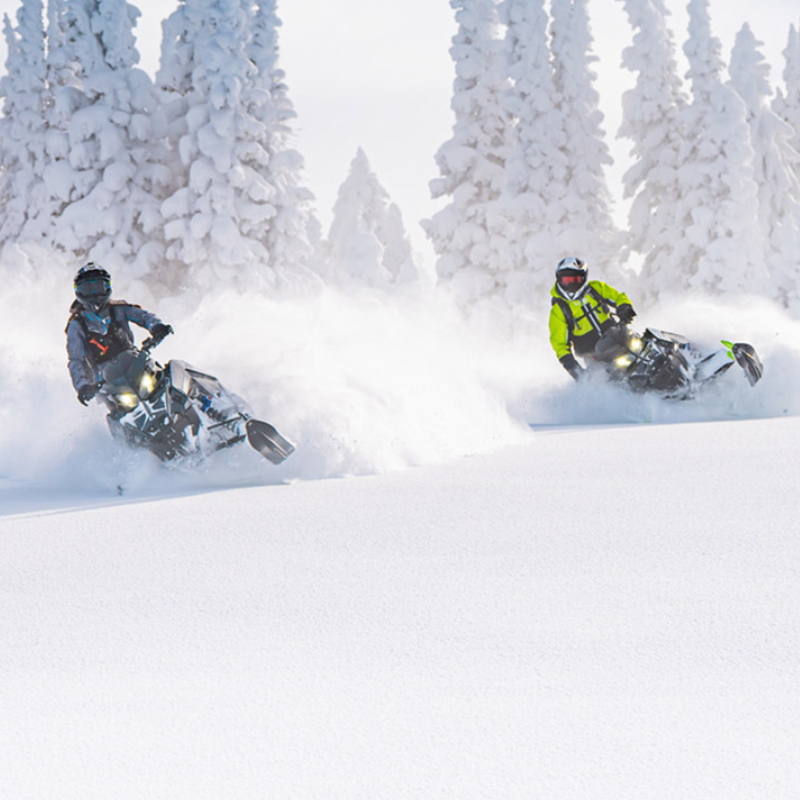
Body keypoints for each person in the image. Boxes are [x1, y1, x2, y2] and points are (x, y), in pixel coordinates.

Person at [66, 263, 173, 405]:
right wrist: (83, 386)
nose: (94, 295)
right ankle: (112, 427)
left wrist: (156, 326)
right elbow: (75, 359)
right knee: (115, 412)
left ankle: (201, 398)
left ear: (107, 287)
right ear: (79, 292)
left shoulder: (118, 308)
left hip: (135, 364)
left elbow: (142, 316)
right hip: (106, 383)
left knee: (166, 374)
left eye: (98, 287)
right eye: (88, 289)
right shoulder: (77, 324)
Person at [548, 256, 637, 381]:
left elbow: (618, 297)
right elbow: (560, 345)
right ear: (559, 279)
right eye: (567, 281)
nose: (571, 284)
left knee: (643, 344)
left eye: (575, 279)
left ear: (583, 278)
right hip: (595, 356)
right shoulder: (559, 310)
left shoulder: (595, 288)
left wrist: (624, 307)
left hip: (617, 336)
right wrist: (575, 369)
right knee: (611, 379)